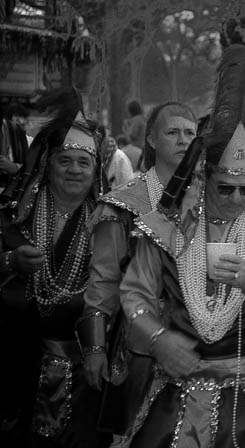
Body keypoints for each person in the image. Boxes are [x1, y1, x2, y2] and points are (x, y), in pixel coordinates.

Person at [119, 19, 245, 448]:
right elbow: (135, 295)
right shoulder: (165, 227)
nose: (237, 198)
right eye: (226, 188)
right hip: (177, 396)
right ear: (204, 175)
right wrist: (159, 340)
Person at [77, 102, 197, 438]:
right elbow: (103, 283)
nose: (183, 140)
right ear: (153, 140)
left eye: (190, 133)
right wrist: (96, 348)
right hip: (139, 347)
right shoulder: (124, 203)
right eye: (172, 132)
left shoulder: (208, 199)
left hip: (198, 343)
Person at [0, 87, 110, 448]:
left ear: (96, 171)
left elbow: (112, 289)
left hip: (81, 368)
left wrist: (96, 349)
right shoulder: (14, 215)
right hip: (14, 360)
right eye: (65, 160)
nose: (75, 170)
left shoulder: (108, 223)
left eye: (84, 162)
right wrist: (10, 261)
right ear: (48, 164)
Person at [0, 103, 30, 190]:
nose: (21, 127)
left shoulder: (29, 141)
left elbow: (35, 169)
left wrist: (15, 167)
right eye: (18, 122)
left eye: (24, 124)